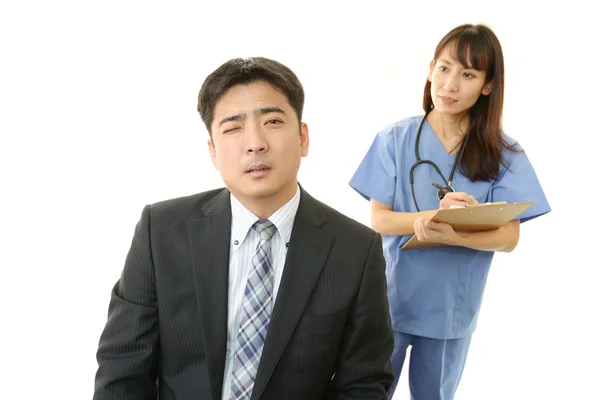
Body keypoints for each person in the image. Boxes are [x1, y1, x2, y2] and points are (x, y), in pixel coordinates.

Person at [93, 57, 394, 400]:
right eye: (233, 127)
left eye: (273, 121)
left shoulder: (356, 250)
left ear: (303, 138)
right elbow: (123, 371)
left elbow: (363, 386)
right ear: (213, 152)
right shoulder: (160, 231)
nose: (255, 143)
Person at [349, 24, 551, 400]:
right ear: (430, 69)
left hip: (450, 310)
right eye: (444, 69)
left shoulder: (503, 154)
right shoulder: (395, 139)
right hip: (390, 300)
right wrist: (430, 221)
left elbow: (509, 238)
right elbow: (380, 219)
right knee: (367, 393)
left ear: (487, 86)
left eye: (468, 74)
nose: (450, 85)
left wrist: (455, 234)